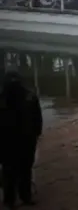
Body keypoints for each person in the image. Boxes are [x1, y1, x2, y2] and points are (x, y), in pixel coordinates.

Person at [0, 71, 43, 208]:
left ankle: (13, 199)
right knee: (20, 170)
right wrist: (36, 134)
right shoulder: (30, 96)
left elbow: (37, 119)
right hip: (20, 140)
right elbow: (38, 119)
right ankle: (20, 198)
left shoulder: (4, 97)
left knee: (13, 171)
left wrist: (36, 134)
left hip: (14, 140)